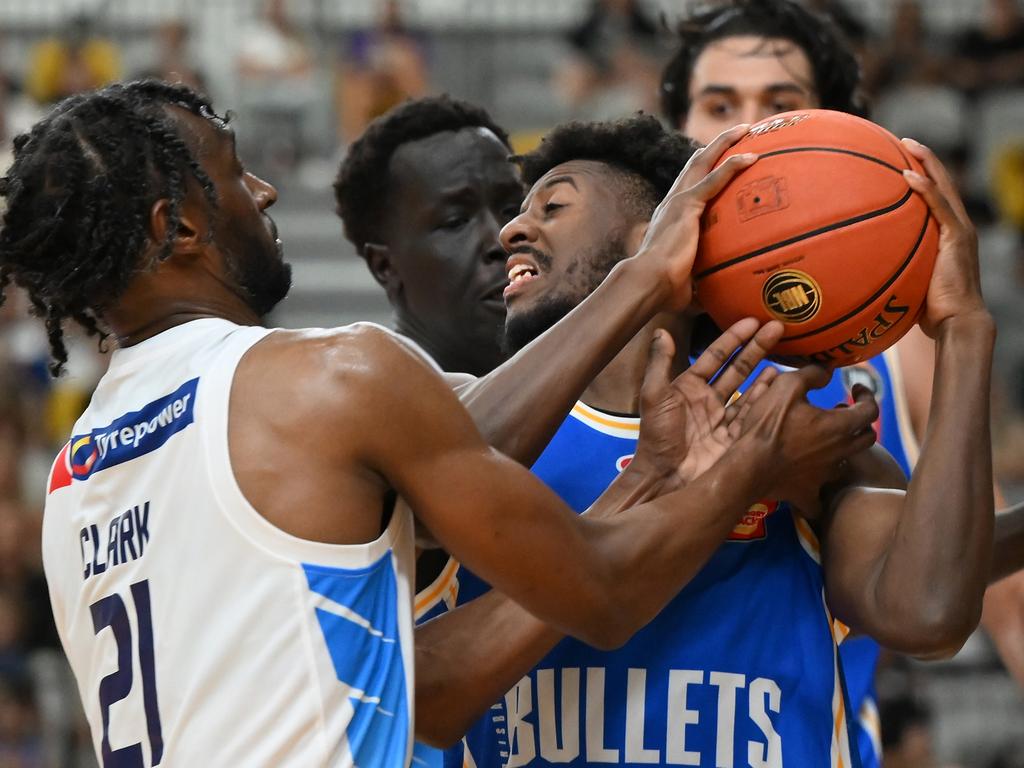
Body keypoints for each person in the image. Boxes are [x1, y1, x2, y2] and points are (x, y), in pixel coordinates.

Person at [3, 81, 871, 765]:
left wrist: (643, 476)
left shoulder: (74, 478)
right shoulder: (324, 376)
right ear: (176, 227)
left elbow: (422, 667)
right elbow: (601, 592)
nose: (263, 188)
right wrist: (749, 455)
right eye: (233, 172)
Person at [382, 112, 993, 764]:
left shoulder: (796, 429)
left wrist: (964, 330)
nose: (510, 231)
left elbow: (928, 616)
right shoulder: (453, 415)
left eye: (553, 204)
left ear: (668, 233)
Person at [659, 0, 1024, 758]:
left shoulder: (903, 349)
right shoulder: (614, 333)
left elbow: (984, 578)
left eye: (781, 106)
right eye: (719, 106)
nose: (747, 136)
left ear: (832, 128)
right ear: (677, 130)